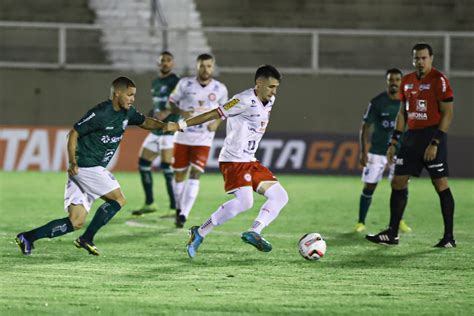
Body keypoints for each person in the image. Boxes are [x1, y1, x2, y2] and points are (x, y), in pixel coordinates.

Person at [15, 77, 165, 256]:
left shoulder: (128, 113)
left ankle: (27, 237)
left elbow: (145, 121)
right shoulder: (101, 112)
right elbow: (73, 133)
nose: (133, 99)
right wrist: (73, 162)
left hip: (85, 170)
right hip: (87, 167)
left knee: (75, 221)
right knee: (118, 199)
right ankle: (87, 238)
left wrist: (165, 126)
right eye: (130, 95)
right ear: (117, 93)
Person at [164, 64, 289, 258]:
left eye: (276, 87)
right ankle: (201, 231)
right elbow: (214, 113)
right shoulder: (243, 99)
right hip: (234, 160)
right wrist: (181, 124)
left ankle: (255, 231)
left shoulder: (269, 101)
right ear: (259, 83)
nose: (274, 92)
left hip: (249, 160)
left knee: (280, 196)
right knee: (245, 202)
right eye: (271, 86)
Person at [366, 43, 456, 248]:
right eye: (416, 58)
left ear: (431, 58)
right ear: (412, 59)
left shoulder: (439, 80)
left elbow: (448, 113)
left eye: (424, 58)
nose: (420, 62)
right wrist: (394, 141)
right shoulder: (407, 81)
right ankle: (392, 233)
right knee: (397, 181)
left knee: (440, 185)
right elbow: (402, 114)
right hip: (411, 138)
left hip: (432, 136)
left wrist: (435, 142)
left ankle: (449, 237)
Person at [168, 53, 228, 228]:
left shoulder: (220, 89)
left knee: (195, 173)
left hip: (204, 138)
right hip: (183, 135)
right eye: (202, 66)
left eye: (209, 66)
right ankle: (179, 208)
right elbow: (171, 101)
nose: (206, 69)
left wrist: (216, 123)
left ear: (213, 67)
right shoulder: (184, 84)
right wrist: (180, 112)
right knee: (179, 175)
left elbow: (225, 110)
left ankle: (184, 215)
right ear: (197, 66)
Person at [354, 68, 412, 233]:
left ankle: (399, 220)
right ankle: (361, 222)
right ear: (387, 82)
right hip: (377, 151)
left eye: (397, 80)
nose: (394, 82)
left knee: (401, 187)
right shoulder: (378, 102)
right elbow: (365, 127)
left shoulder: (407, 102)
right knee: (369, 186)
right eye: (391, 80)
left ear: (401, 82)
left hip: (400, 152)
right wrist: (363, 151)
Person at [132, 51, 180, 216]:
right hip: (157, 130)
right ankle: (150, 203)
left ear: (172, 64)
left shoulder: (176, 81)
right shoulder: (156, 83)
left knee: (166, 167)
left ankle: (175, 207)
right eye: (162, 61)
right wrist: (150, 115)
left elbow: (179, 102)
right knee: (143, 163)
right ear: (158, 64)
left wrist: (166, 113)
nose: (165, 63)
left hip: (169, 130)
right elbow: (158, 106)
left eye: (168, 60)